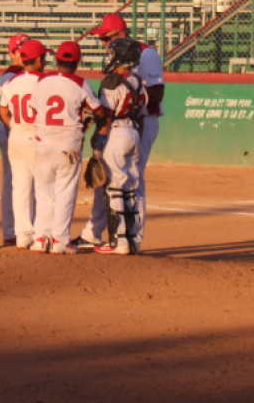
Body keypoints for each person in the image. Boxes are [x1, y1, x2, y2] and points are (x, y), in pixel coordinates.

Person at [85, 13, 165, 253]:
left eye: (106, 39)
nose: (104, 44)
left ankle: (131, 237)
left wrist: (130, 111)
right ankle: (95, 233)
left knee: (131, 182)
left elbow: (157, 93)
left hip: (138, 121)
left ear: (120, 35)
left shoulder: (146, 54)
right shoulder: (122, 68)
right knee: (113, 179)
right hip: (128, 123)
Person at [28, 41, 108, 255]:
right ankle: (60, 240)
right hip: (68, 144)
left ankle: (39, 238)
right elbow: (99, 111)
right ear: (78, 61)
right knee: (65, 192)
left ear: (56, 60)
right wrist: (87, 116)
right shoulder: (81, 84)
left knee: (44, 193)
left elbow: (33, 107)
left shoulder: (43, 81)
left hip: (43, 142)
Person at [86, 37, 147, 256]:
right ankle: (132, 241)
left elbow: (106, 117)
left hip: (117, 133)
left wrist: (97, 145)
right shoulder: (137, 81)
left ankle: (118, 242)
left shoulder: (112, 82)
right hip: (133, 132)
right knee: (130, 188)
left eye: (112, 54)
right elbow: (142, 112)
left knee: (114, 188)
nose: (109, 57)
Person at [0, 38, 49, 250]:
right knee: (43, 186)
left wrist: (15, 127)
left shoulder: (11, 81)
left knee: (20, 187)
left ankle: (21, 235)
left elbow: (1, 111)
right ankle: (41, 234)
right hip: (36, 134)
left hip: (16, 132)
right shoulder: (46, 81)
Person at [0, 33, 31, 247]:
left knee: (26, 183)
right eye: (20, 50)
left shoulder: (24, 74)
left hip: (20, 131)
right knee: (14, 183)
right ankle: (12, 232)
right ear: (12, 53)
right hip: (12, 130)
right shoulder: (9, 77)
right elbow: (5, 111)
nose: (24, 53)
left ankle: (24, 230)